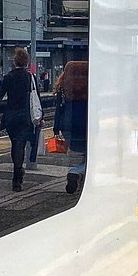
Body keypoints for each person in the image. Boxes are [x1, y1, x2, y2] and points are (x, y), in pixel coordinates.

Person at [0, 47, 43, 191]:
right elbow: (36, 99)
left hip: (11, 117)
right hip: (25, 117)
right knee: (20, 145)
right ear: (26, 62)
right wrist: (41, 117)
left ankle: (17, 172)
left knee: (15, 144)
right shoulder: (30, 77)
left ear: (15, 62)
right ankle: (17, 177)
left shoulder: (9, 77)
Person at [52, 61, 88, 194]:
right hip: (87, 124)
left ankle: (73, 171)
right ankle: (78, 173)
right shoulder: (91, 87)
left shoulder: (64, 87)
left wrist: (56, 128)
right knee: (88, 154)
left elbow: (59, 108)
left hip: (68, 124)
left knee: (74, 153)